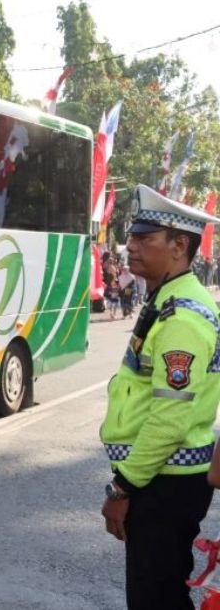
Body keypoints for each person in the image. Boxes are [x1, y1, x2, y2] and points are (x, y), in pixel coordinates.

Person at [99, 185, 220, 610]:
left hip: (163, 485)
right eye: (132, 237)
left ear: (179, 245)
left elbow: (169, 421)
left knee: (156, 598)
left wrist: (122, 487)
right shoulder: (167, 300)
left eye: (145, 238)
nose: (130, 247)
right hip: (163, 482)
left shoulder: (182, 317)